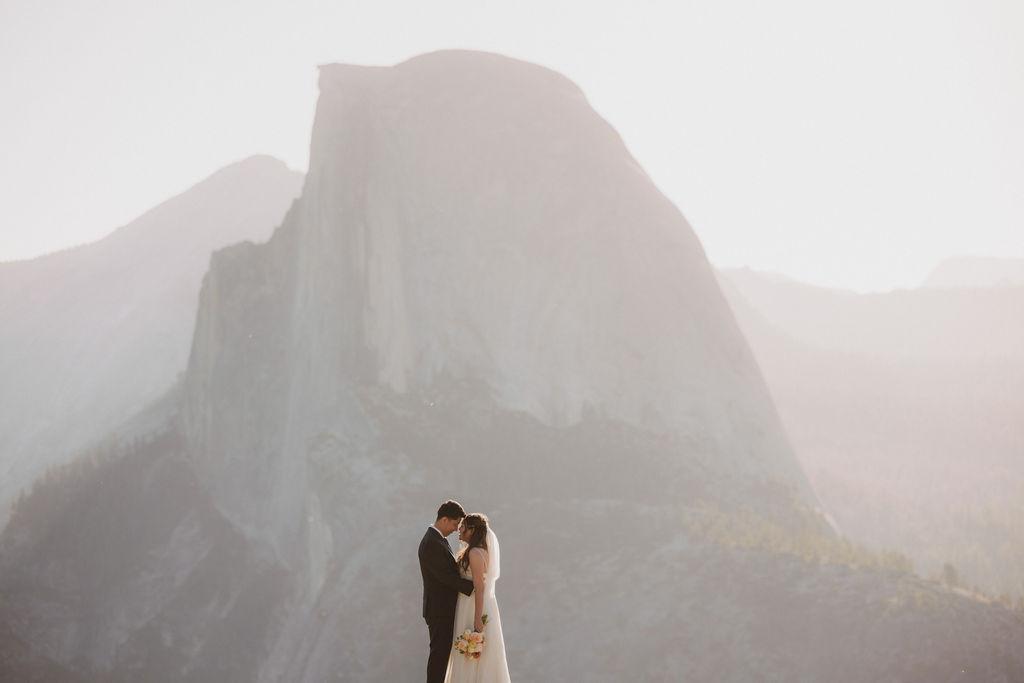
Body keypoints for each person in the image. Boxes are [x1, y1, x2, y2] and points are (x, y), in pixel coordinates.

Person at [445, 513, 511, 683]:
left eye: (463, 526)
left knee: (472, 652)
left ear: (472, 529)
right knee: (478, 654)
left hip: (473, 605)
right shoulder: (478, 551)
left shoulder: (475, 553)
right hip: (475, 604)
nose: (459, 529)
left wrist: (477, 620)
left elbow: (479, 587)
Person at [419, 500, 475, 683]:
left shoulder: (437, 540)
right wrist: (473, 587)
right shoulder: (431, 543)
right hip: (439, 611)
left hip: (442, 609)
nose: (455, 529)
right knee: (439, 657)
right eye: (454, 524)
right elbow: (446, 577)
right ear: (444, 519)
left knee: (442, 656)